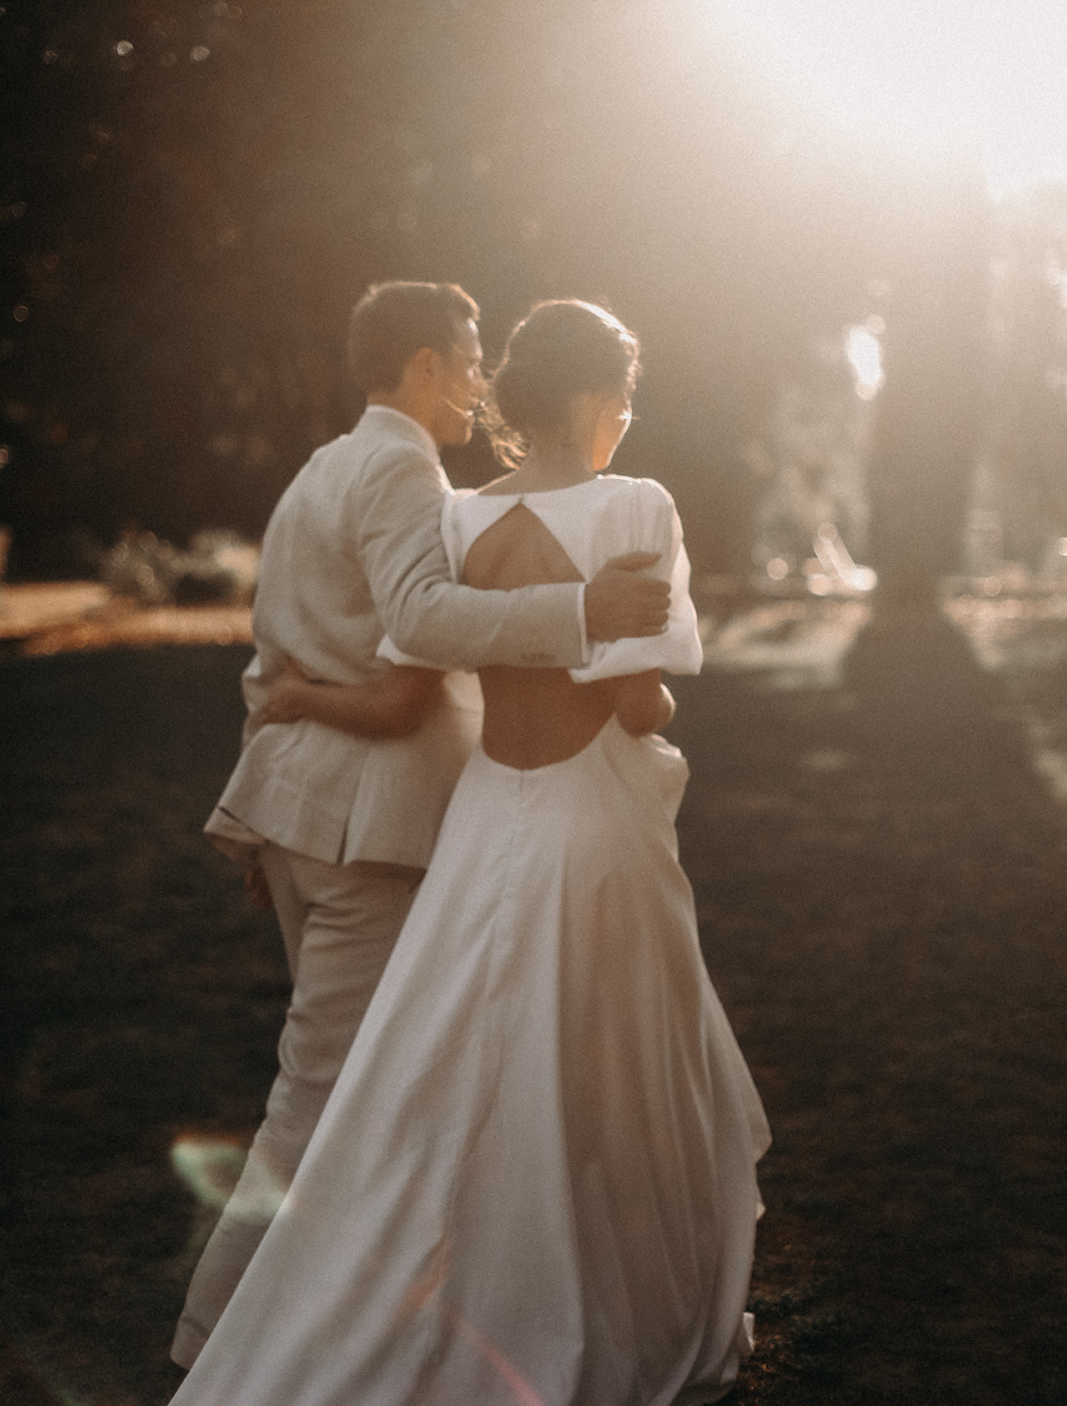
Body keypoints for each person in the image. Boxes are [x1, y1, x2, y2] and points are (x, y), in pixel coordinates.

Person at [170, 299, 769, 1406]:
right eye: (624, 401)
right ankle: (584, 1299)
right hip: (544, 817)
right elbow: (620, 694)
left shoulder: (405, 504)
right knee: (588, 1068)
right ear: (596, 399)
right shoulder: (624, 503)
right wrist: (599, 630)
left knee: (436, 1065)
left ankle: (402, 1292)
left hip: (464, 812)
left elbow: (370, 640)